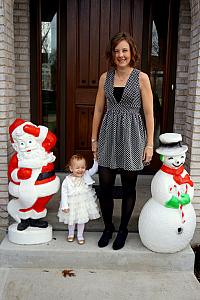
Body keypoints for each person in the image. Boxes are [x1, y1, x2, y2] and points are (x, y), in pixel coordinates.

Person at [91, 32, 154, 250]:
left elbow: (149, 114)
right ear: (112, 53)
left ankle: (123, 229)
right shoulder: (104, 78)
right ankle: (108, 227)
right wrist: (94, 140)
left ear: (131, 52)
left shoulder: (141, 78)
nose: (121, 55)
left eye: (124, 50)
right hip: (108, 136)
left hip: (132, 137)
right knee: (105, 186)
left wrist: (149, 144)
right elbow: (99, 109)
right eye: (117, 51)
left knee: (128, 187)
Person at [8, 118, 60, 231]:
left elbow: (52, 138)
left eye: (30, 141)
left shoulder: (42, 149)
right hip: (26, 186)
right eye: (22, 143)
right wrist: (18, 174)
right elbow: (11, 172)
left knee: (40, 202)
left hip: (47, 184)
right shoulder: (17, 158)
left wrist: (35, 131)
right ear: (17, 145)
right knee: (26, 201)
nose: (27, 146)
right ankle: (25, 219)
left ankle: (36, 219)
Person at [57, 154, 100, 245]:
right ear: (71, 168)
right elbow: (64, 193)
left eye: (83, 167)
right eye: (77, 168)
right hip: (71, 203)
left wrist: (96, 160)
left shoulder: (86, 175)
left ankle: (80, 235)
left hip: (82, 202)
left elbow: (93, 170)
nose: (80, 170)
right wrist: (64, 205)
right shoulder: (67, 180)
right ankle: (71, 233)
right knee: (71, 219)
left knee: (81, 219)